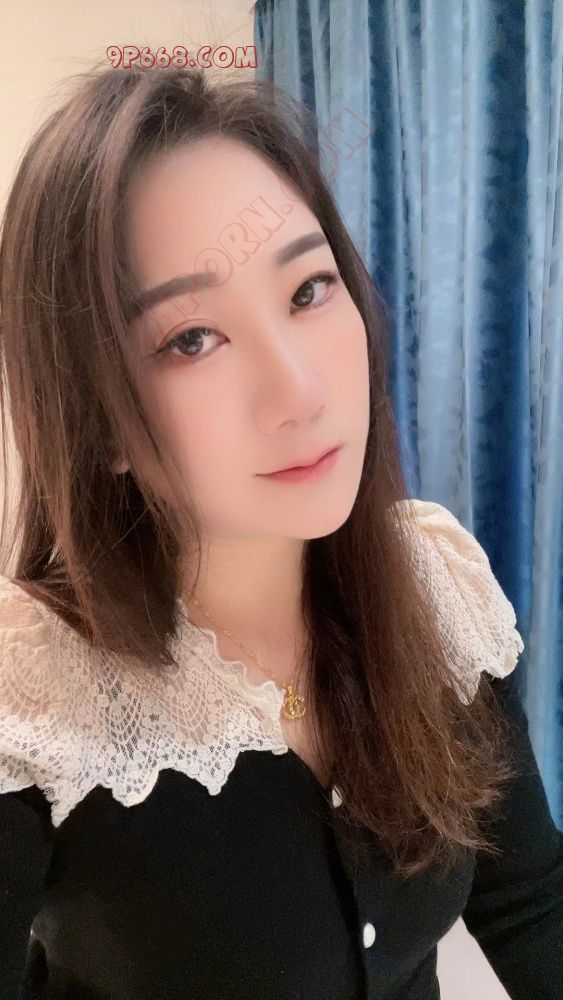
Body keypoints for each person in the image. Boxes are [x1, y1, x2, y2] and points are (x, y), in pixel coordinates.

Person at [0, 63, 561, 1000]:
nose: (299, 392)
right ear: (95, 422)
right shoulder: (33, 690)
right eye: (190, 339)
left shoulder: (434, 588)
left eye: (306, 290)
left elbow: (529, 902)